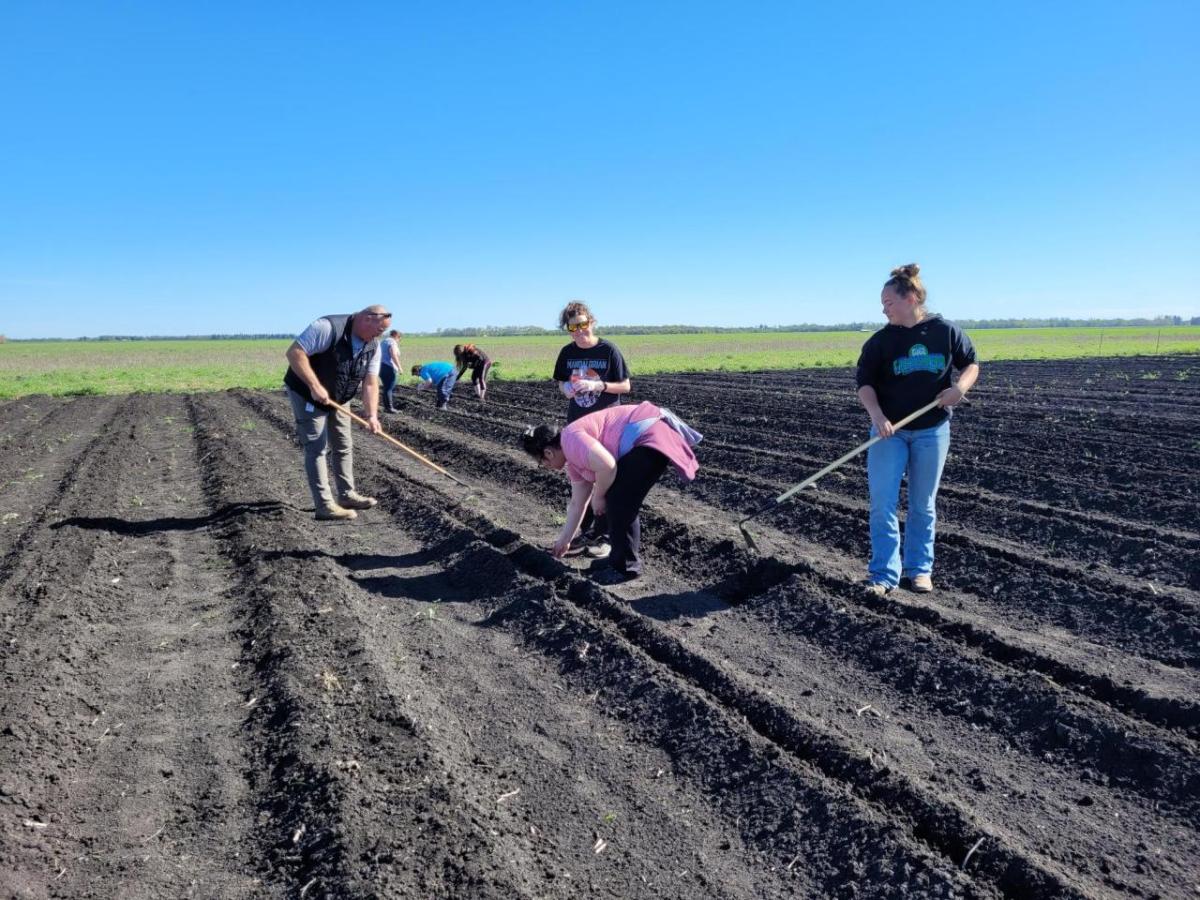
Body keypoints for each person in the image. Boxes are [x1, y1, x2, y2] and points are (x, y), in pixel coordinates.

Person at [855, 264, 980, 596]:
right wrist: (877, 415)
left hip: (932, 431)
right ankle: (883, 575)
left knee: (923, 504)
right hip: (889, 433)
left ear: (910, 298)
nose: (884, 309)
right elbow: (864, 384)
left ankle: (920, 570)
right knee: (883, 504)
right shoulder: (880, 342)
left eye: (888, 302)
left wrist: (959, 388)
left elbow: (971, 363)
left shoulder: (945, 331)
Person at [521, 401, 701, 585]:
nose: (545, 467)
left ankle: (625, 568)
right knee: (615, 497)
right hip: (646, 436)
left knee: (618, 500)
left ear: (548, 453)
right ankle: (617, 557)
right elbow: (577, 504)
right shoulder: (573, 460)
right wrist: (564, 541)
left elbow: (607, 466)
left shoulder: (571, 440)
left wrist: (598, 496)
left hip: (650, 435)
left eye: (540, 462)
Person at [284, 305, 391, 521]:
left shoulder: (373, 346)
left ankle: (346, 495)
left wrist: (371, 416)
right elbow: (294, 353)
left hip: (341, 396)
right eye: (379, 330)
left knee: (344, 444)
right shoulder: (327, 328)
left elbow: (370, 382)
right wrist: (314, 385)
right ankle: (324, 505)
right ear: (366, 319)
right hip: (308, 394)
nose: (380, 336)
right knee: (317, 447)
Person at [551, 301, 632, 557]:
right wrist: (566, 389)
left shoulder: (609, 350)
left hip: (607, 427)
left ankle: (604, 537)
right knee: (581, 482)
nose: (578, 331)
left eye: (583, 324)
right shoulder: (567, 353)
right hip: (578, 425)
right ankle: (582, 535)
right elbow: (561, 382)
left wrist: (599, 386)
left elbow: (626, 386)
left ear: (592, 322)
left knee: (606, 483)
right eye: (572, 327)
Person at [379, 330, 403, 412]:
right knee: (389, 388)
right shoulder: (392, 342)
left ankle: (387, 407)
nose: (399, 341)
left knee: (386, 387)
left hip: (380, 367)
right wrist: (399, 367)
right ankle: (389, 408)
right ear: (397, 336)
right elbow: (393, 354)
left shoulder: (383, 342)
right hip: (389, 367)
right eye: (399, 339)